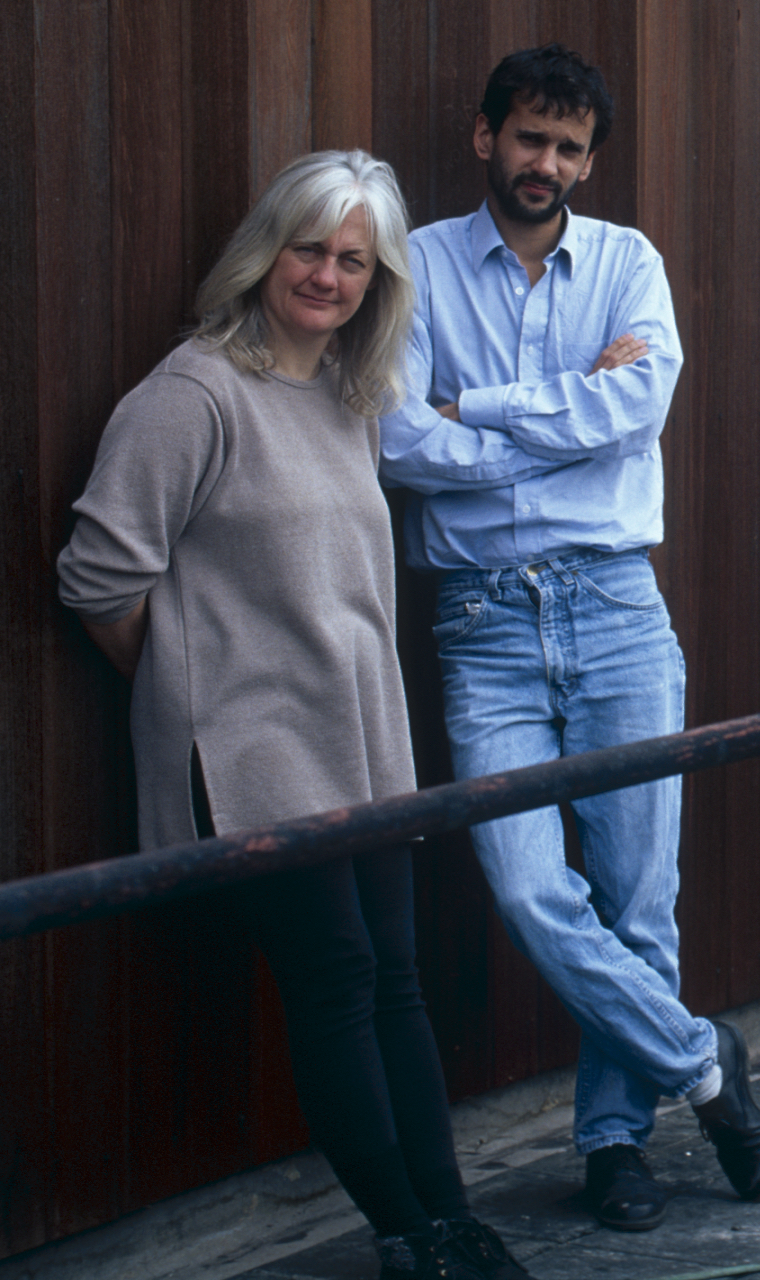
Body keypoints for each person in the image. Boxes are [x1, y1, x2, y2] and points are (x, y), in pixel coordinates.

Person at [59, 152, 529, 1280]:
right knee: (338, 981)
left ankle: (452, 1222)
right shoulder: (193, 394)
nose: (327, 275)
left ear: (379, 282)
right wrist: (200, 689)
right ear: (265, 252)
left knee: (396, 980)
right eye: (309, 249)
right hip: (257, 753)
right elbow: (99, 581)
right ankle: (405, 1237)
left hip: (359, 740)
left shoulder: (349, 398)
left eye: (353, 260)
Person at [378, 45, 760, 1235]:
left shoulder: (627, 263)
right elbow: (396, 440)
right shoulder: (417, 266)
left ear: (588, 161)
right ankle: (701, 1061)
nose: (544, 162)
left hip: (614, 607)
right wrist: (566, 424)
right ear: (485, 136)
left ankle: (614, 1143)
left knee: (636, 895)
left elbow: (636, 404)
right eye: (528, 137)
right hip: (481, 622)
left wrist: (478, 409)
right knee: (525, 886)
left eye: (567, 146)